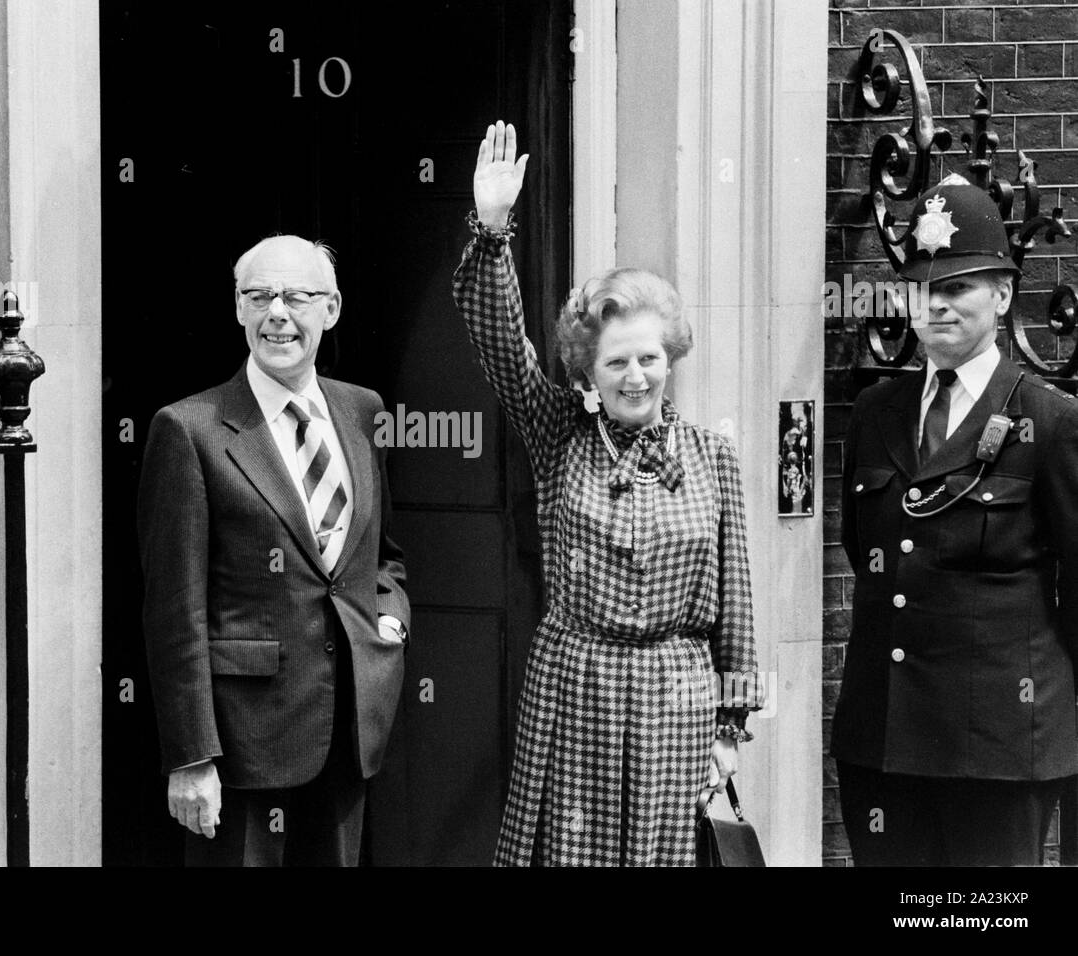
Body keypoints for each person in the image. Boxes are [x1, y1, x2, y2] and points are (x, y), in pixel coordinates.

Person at [453, 122, 759, 866]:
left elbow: (740, 604)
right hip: (576, 687)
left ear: (671, 357)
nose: (635, 377)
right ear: (587, 370)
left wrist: (728, 729)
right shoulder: (560, 431)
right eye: (616, 361)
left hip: (676, 698)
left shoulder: (712, 457)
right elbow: (502, 348)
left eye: (649, 357)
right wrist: (493, 230)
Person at [138, 234, 411, 867]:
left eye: (295, 296)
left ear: (332, 309)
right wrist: (190, 756)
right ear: (238, 310)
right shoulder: (189, 429)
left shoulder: (363, 410)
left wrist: (388, 620)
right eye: (257, 296)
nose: (276, 313)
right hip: (242, 748)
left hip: (348, 731)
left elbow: (383, 554)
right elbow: (174, 610)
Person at [832, 176, 1078, 866]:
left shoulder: (1050, 421)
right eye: (920, 288)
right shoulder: (877, 413)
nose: (935, 305)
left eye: (958, 288)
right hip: (884, 746)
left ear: (1002, 295)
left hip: (998, 752)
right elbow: (872, 554)